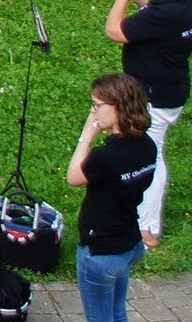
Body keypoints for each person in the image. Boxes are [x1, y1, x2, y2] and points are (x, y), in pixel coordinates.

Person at [105, 0, 192, 247]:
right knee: (151, 152)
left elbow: (115, 31)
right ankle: (141, 217)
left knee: (151, 157)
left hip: (154, 98)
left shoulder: (164, 14)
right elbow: (157, 18)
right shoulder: (186, 4)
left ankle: (147, 229)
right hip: (172, 90)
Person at [66, 73, 156, 322]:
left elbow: (73, 177)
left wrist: (87, 135)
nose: (93, 112)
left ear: (117, 107)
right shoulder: (148, 145)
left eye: (96, 105)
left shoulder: (105, 157)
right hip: (128, 243)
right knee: (117, 312)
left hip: (100, 252)